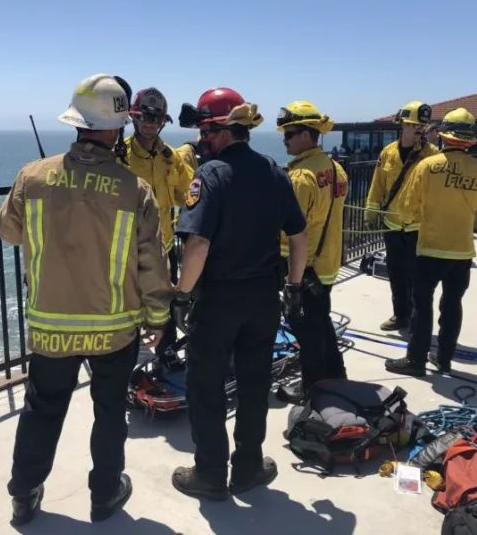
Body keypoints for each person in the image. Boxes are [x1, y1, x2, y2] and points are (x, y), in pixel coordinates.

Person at [0, 74, 175, 525]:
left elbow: (8, 231)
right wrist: (157, 318)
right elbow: (151, 264)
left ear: (76, 122)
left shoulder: (33, 177)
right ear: (118, 128)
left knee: (42, 410)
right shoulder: (135, 190)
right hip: (113, 331)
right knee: (110, 413)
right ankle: (104, 495)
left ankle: (24, 495)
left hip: (50, 327)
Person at [169, 87, 308, 500]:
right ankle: (248, 468)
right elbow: (299, 237)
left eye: (205, 132)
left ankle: (210, 474)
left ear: (223, 131)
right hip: (265, 298)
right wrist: (295, 287)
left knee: (206, 386)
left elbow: (197, 246)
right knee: (253, 384)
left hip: (219, 301)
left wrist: (181, 294)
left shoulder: (210, 175)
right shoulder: (273, 171)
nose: (201, 141)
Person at [384, 108, 477, 377]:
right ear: (470, 140)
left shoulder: (427, 167)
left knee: (423, 304)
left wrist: (406, 223)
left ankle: (416, 360)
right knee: (452, 305)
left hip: (429, 249)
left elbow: (408, 207)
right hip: (462, 253)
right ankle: (443, 359)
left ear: (443, 136)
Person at [273, 101, 348, 404]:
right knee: (320, 322)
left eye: (289, 133)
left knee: (307, 332)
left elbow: (289, 228)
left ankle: (312, 388)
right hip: (327, 261)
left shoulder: (301, 176)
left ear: (306, 134)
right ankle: (336, 375)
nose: (285, 139)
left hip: (303, 266)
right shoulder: (336, 169)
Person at [121, 87, 194, 364]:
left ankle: (167, 356)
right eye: (144, 118)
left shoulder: (170, 157)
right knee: (128, 309)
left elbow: (187, 194)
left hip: (163, 246)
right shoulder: (120, 156)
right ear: (133, 118)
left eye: (156, 119)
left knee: (166, 305)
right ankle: (129, 362)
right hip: (128, 250)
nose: (150, 124)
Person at [364, 101, 438, 332]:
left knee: (417, 277)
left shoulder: (432, 155)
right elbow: (378, 185)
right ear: (403, 125)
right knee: (396, 272)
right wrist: (370, 214)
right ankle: (400, 315)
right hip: (392, 225)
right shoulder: (388, 153)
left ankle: (417, 318)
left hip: (418, 226)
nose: (419, 131)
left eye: (422, 127)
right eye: (415, 126)